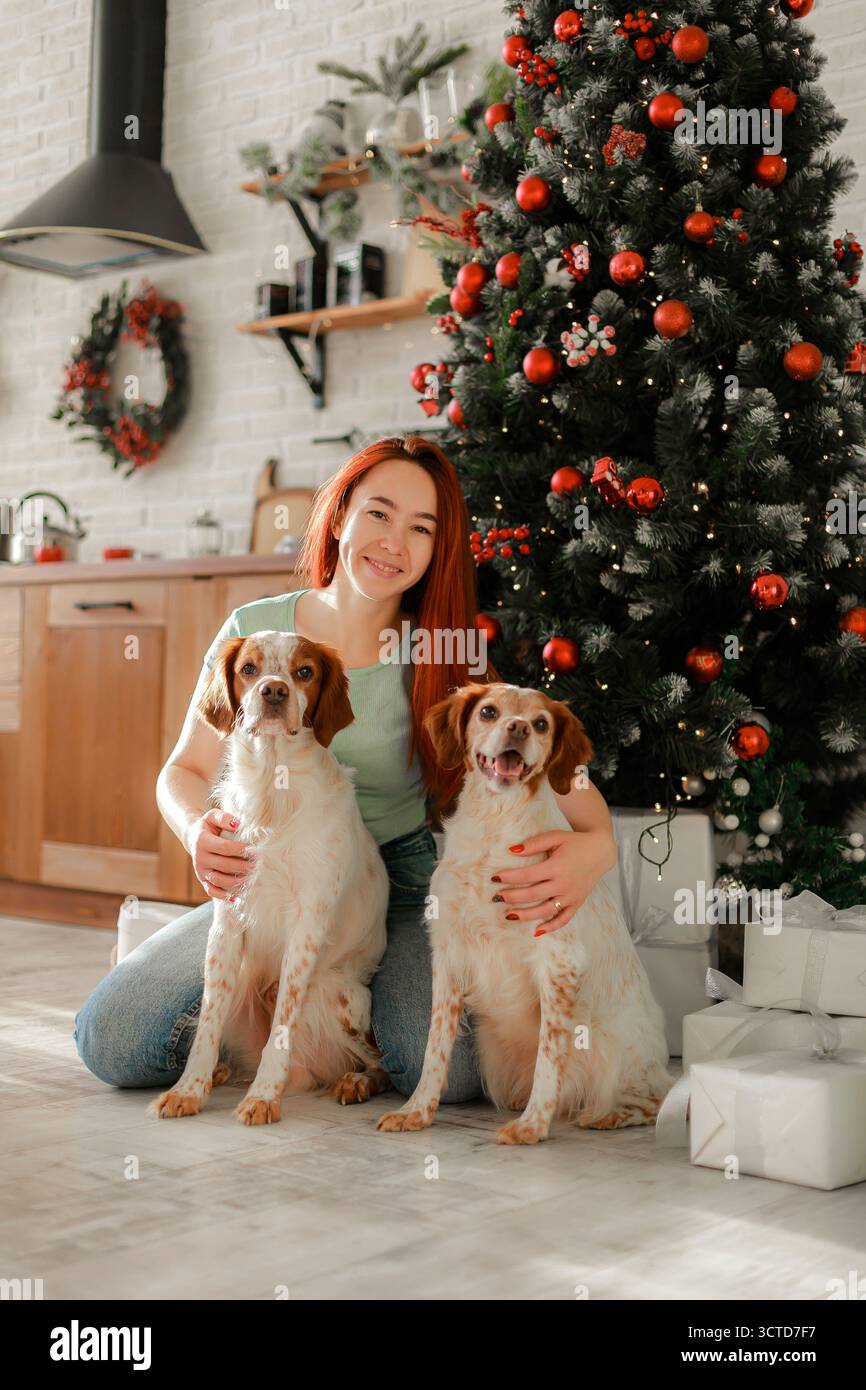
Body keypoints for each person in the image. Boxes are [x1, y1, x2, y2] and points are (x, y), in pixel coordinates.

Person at [74, 434, 617, 1100]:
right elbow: (182, 770)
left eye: (422, 527)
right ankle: (221, 999)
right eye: (379, 513)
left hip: (403, 882)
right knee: (113, 1042)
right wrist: (196, 832)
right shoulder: (256, 628)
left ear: (437, 549)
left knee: (440, 1072)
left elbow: (558, 771)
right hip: (269, 878)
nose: (394, 541)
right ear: (339, 517)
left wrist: (598, 847)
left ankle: (318, 1026)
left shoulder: (442, 651)